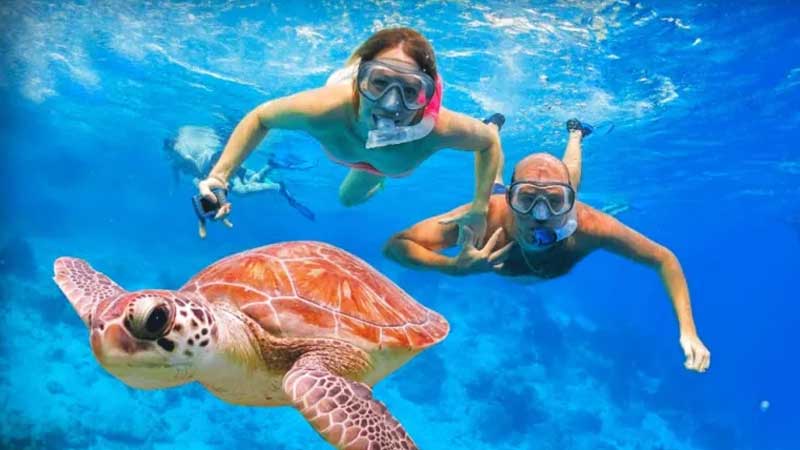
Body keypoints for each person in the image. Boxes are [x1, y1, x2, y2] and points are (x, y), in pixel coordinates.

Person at [384, 119, 711, 373]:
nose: (540, 215)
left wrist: (689, 331)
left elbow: (663, 259)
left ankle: (576, 135)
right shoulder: (487, 216)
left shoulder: (590, 225)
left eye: (555, 202)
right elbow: (395, 245)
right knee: (493, 185)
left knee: (568, 177)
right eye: (526, 199)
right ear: (512, 199)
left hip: (556, 200)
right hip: (500, 196)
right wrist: (453, 268)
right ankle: (491, 132)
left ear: (570, 204)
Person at [196, 27, 502, 239]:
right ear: (359, 81)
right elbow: (260, 117)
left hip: (383, 164)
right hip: (375, 155)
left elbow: (489, 144)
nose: (392, 104)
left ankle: (382, 171)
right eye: (379, 83)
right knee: (346, 199)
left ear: (425, 95)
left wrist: (479, 207)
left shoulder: (438, 129)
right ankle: (379, 171)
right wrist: (218, 177)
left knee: (348, 198)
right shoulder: (325, 109)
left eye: (410, 90)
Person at [164, 125, 315, 235]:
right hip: (215, 168)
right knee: (246, 185)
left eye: (174, 150)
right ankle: (270, 166)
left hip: (217, 164)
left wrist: (204, 179)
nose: (174, 154)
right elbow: (175, 178)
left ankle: (277, 187)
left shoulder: (182, 154)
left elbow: (190, 162)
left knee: (240, 191)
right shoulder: (175, 163)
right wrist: (172, 191)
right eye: (171, 152)